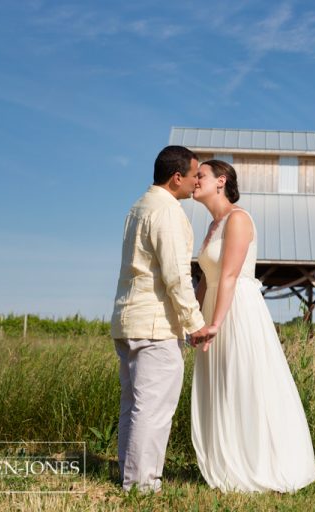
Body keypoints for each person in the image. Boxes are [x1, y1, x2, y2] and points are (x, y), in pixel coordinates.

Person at [190, 159, 315, 493]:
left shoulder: (239, 218)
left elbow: (230, 274)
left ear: (221, 181)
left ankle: (261, 463)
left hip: (237, 310)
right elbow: (206, 278)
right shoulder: (212, 226)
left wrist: (216, 322)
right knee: (219, 386)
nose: (194, 181)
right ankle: (226, 459)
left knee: (243, 381)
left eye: (200, 175)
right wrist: (191, 318)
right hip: (212, 308)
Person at [110, 145, 213, 493]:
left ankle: (129, 473)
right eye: (194, 174)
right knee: (153, 409)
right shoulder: (167, 212)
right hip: (155, 325)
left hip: (127, 320)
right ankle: (141, 485)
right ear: (177, 178)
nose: (197, 180)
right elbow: (176, 276)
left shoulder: (138, 206)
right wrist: (194, 323)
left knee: (134, 405)